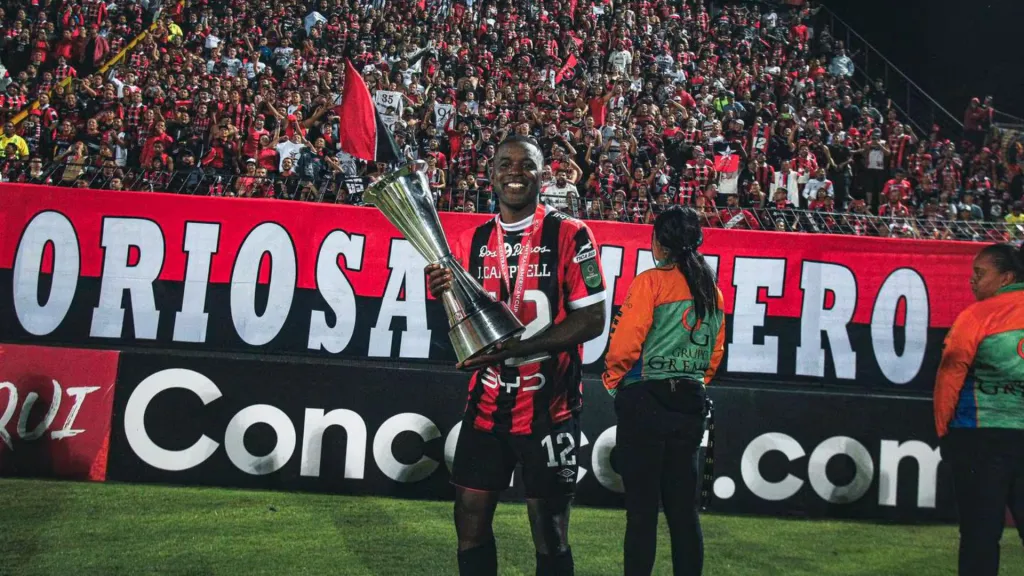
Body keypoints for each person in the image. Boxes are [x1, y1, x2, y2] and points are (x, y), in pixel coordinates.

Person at [425, 135, 607, 576]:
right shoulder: (470, 241)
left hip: (551, 410)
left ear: (542, 176)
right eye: (505, 164)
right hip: (486, 408)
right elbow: (451, 331)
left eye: (526, 165)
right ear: (490, 175)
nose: (514, 172)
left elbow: (593, 320)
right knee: (468, 522)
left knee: (550, 533)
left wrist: (520, 348)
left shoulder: (570, 233)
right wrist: (440, 298)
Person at [602, 206, 726, 576]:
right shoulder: (712, 290)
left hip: (645, 401)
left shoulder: (650, 282)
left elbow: (624, 345)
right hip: (689, 404)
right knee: (683, 515)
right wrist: (694, 382)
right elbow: (714, 354)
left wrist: (615, 385)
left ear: (660, 242)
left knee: (642, 514)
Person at [934, 243, 1024, 576]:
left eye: (980, 273)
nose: (972, 280)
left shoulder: (976, 316)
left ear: (1006, 278)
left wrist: (944, 430)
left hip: (980, 439)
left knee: (979, 536)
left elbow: (950, 371)